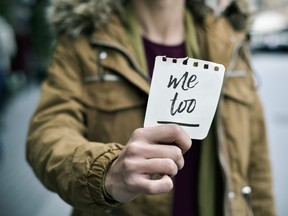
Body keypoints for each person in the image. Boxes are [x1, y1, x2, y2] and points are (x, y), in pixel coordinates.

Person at [26, 0, 276, 215]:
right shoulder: (82, 43)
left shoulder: (230, 41)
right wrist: (107, 172)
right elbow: (47, 134)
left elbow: (258, 169)